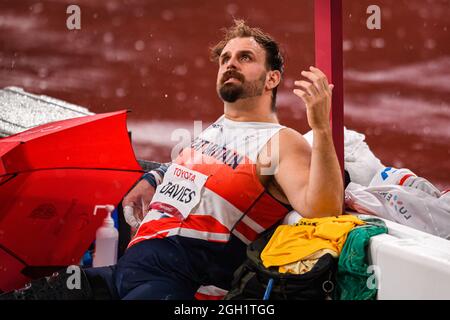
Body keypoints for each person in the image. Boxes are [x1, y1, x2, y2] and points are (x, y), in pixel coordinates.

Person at [1, 19, 343, 300]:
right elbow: (196, 173)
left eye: (244, 58)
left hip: (179, 286)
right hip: (125, 272)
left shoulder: (280, 142)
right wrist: (152, 179)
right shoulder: (214, 130)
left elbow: (325, 208)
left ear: (272, 78)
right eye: (225, 59)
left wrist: (321, 129)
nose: (230, 65)